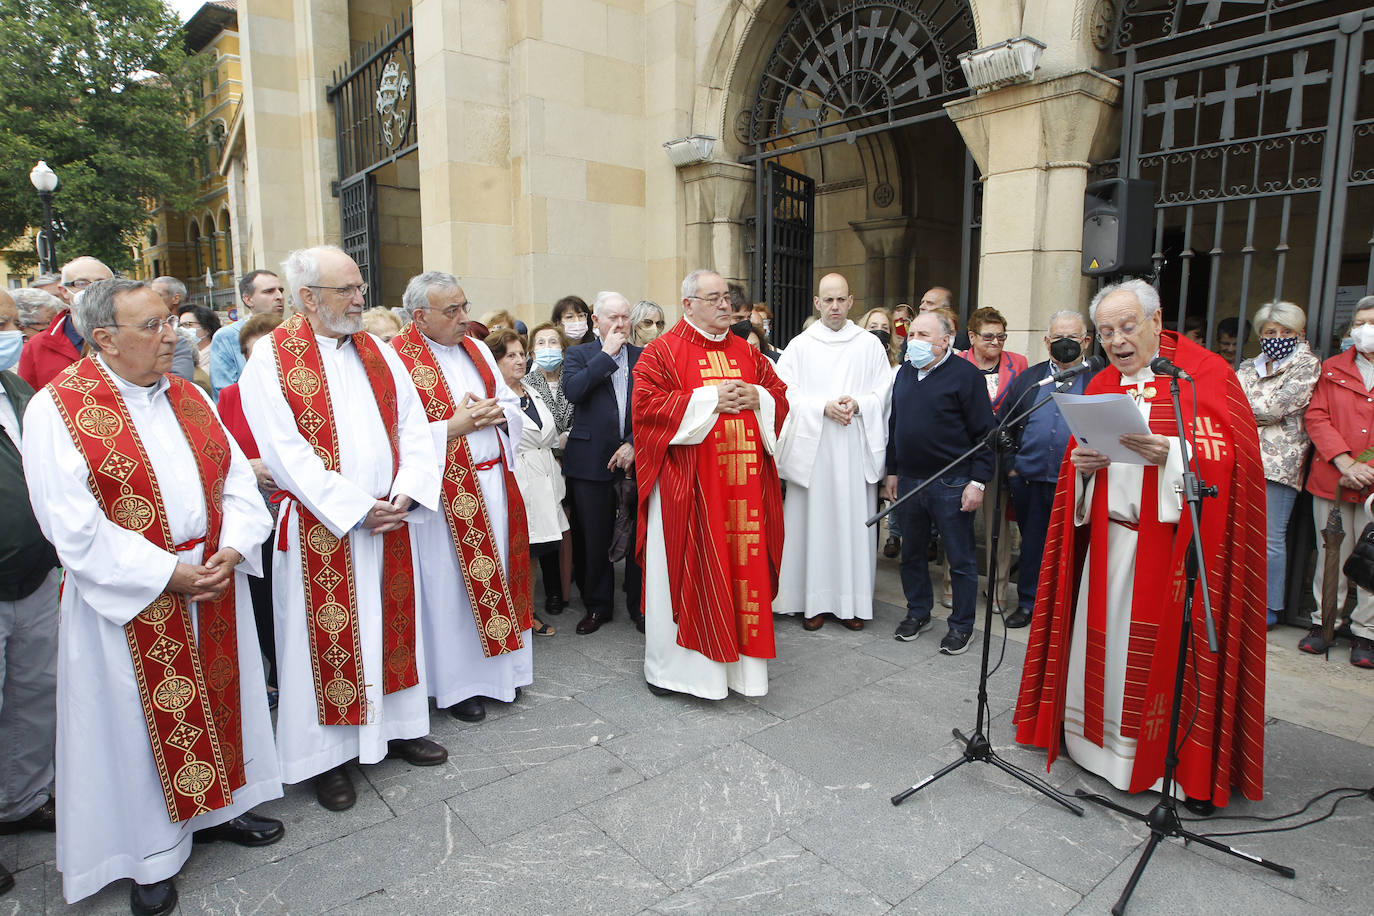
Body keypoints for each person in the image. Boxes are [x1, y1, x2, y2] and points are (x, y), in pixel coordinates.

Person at [22, 278, 283, 914]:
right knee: (137, 730)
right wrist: (167, 573)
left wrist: (233, 546)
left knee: (220, 702)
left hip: (210, 581)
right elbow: (71, 525)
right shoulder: (57, 410)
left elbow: (234, 485)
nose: (174, 335)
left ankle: (217, 811)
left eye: (171, 321)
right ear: (103, 339)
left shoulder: (190, 396)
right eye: (153, 327)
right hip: (132, 598)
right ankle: (148, 853)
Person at [1016, 278, 1267, 811]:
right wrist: (1081, 470)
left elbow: (1232, 463)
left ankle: (1163, 767)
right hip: (1106, 541)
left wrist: (1171, 455)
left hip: (1170, 555)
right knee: (1100, 651)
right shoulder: (1103, 380)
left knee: (1161, 660)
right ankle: (1096, 748)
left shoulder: (1203, 374)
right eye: (1106, 331)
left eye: (1128, 328)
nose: (1117, 341)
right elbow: (1082, 460)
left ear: (1156, 322)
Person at [238, 246, 448, 813]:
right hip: (324, 529)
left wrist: (406, 487)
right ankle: (326, 759)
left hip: (390, 519)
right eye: (347, 290)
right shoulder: (272, 359)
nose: (360, 299)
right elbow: (286, 453)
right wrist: (357, 507)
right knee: (321, 645)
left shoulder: (377, 349)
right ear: (307, 298)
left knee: (391, 626)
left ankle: (399, 726)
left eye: (359, 287)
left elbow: (413, 423)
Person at [633, 268, 789, 698]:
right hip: (691, 492)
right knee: (687, 573)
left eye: (727, 297)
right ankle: (676, 674)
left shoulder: (749, 353)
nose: (725, 305)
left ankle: (742, 672)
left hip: (743, 495)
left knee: (742, 572)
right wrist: (708, 400)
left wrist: (760, 399)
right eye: (713, 298)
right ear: (688, 305)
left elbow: (780, 395)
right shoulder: (660, 354)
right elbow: (646, 411)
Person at [391, 273, 533, 726]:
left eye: (463, 306)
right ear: (420, 317)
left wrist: (498, 412)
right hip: (444, 497)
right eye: (451, 311)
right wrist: (455, 426)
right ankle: (457, 687)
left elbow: (508, 402)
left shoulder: (475, 349)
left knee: (500, 580)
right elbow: (393, 435)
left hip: (493, 483)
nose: (463, 318)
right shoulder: (397, 360)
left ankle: (503, 676)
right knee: (450, 591)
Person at [775, 273, 892, 631]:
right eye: (828, 300)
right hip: (815, 451)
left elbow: (884, 391)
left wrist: (858, 404)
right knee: (814, 525)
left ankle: (852, 603)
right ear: (817, 303)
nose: (835, 307)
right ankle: (812, 602)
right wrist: (821, 407)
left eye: (841, 300)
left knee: (852, 525)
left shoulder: (869, 345)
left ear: (851, 301)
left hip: (853, 447)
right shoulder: (800, 346)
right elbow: (783, 393)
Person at [886, 309, 995, 655]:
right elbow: (895, 424)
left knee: (960, 559)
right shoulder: (905, 372)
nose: (913, 341)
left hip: (952, 481)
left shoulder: (966, 377)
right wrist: (892, 470)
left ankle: (962, 625)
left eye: (923, 336)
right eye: (911, 334)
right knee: (912, 552)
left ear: (946, 341)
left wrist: (978, 481)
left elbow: (985, 434)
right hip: (910, 480)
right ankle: (918, 611)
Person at [0, 289, 61, 897]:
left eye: (15, 323)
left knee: (31, 695)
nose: (13, 334)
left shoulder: (17, 392)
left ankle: (19, 801)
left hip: (37, 573)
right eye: (2, 324)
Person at [997, 310, 1099, 628]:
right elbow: (1004, 425)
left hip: (1078, 481)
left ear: (1086, 341)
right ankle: (1029, 603)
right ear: (1046, 341)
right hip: (1028, 478)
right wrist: (1012, 467)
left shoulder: (1100, 379)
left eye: (1071, 337)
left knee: (1073, 546)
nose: (1064, 343)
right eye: (1057, 337)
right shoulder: (1031, 378)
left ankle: (1067, 606)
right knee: (1032, 544)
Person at [1299, 295, 1374, 667]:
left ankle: (1366, 633)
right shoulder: (1332, 368)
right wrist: (1346, 462)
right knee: (1331, 556)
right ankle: (1324, 623)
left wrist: (1367, 465)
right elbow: (1317, 418)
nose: (1364, 330)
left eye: (1372, 322)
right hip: (1333, 478)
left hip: (1372, 482)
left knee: (1372, 558)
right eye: (1359, 323)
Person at [214, 311, 286, 704]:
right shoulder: (230, 397)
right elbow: (221, 453)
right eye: (251, 354)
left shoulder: (304, 392)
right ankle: (277, 670)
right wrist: (248, 466)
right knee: (264, 596)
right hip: (258, 515)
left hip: (302, 511)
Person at [562, 291, 643, 634]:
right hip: (590, 460)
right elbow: (574, 391)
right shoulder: (578, 355)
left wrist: (633, 444)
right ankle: (597, 606)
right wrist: (607, 355)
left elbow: (656, 408)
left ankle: (640, 606)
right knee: (593, 538)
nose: (621, 324)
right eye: (613, 317)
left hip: (635, 459)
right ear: (596, 321)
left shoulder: (645, 356)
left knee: (640, 535)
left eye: (625, 317)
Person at [1236, 301, 1320, 632]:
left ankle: (1269, 607)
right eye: (1270, 332)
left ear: (1299, 334)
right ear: (1260, 335)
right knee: (1241, 534)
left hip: (1278, 466)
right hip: (1241, 457)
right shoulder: (1247, 367)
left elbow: (1274, 408)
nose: (1278, 337)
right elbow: (1227, 404)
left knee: (1270, 539)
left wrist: (1244, 407)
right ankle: (1238, 600)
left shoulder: (1307, 366)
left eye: (1286, 332)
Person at [490, 327, 562, 638]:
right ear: (495, 361)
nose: (520, 360)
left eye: (522, 354)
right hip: (516, 480)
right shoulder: (492, 396)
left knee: (533, 551)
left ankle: (526, 610)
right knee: (515, 550)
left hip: (542, 479)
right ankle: (512, 614)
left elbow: (548, 433)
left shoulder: (529, 391)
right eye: (511, 356)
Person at [17, 255, 113, 390]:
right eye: (81, 284)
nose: (92, 290)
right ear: (64, 292)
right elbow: (25, 400)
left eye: (101, 283)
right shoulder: (38, 346)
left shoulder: (131, 336)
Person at [209, 269, 286, 399]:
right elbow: (225, 395)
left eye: (281, 290)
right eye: (269, 291)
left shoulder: (293, 332)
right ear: (248, 299)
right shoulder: (226, 337)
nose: (279, 296)